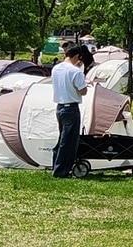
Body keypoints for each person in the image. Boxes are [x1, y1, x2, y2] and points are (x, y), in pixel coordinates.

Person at [51, 45, 89, 178]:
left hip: (60, 107)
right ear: (77, 57)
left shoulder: (56, 68)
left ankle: (55, 165)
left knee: (62, 137)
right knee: (69, 141)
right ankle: (61, 170)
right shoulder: (75, 71)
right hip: (71, 107)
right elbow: (83, 91)